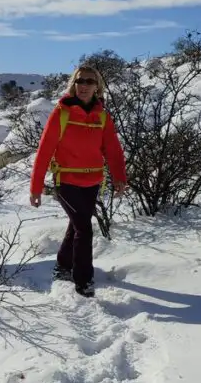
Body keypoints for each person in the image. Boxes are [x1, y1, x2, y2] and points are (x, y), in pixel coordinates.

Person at [29, 66, 127, 297]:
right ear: (73, 84)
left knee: (76, 225)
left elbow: (112, 149)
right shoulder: (61, 113)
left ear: (97, 86)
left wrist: (120, 176)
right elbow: (44, 151)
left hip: (92, 182)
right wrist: (36, 187)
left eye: (90, 81)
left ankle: (63, 265)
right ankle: (84, 281)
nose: (84, 86)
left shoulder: (102, 116)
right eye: (80, 81)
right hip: (67, 181)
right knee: (84, 227)